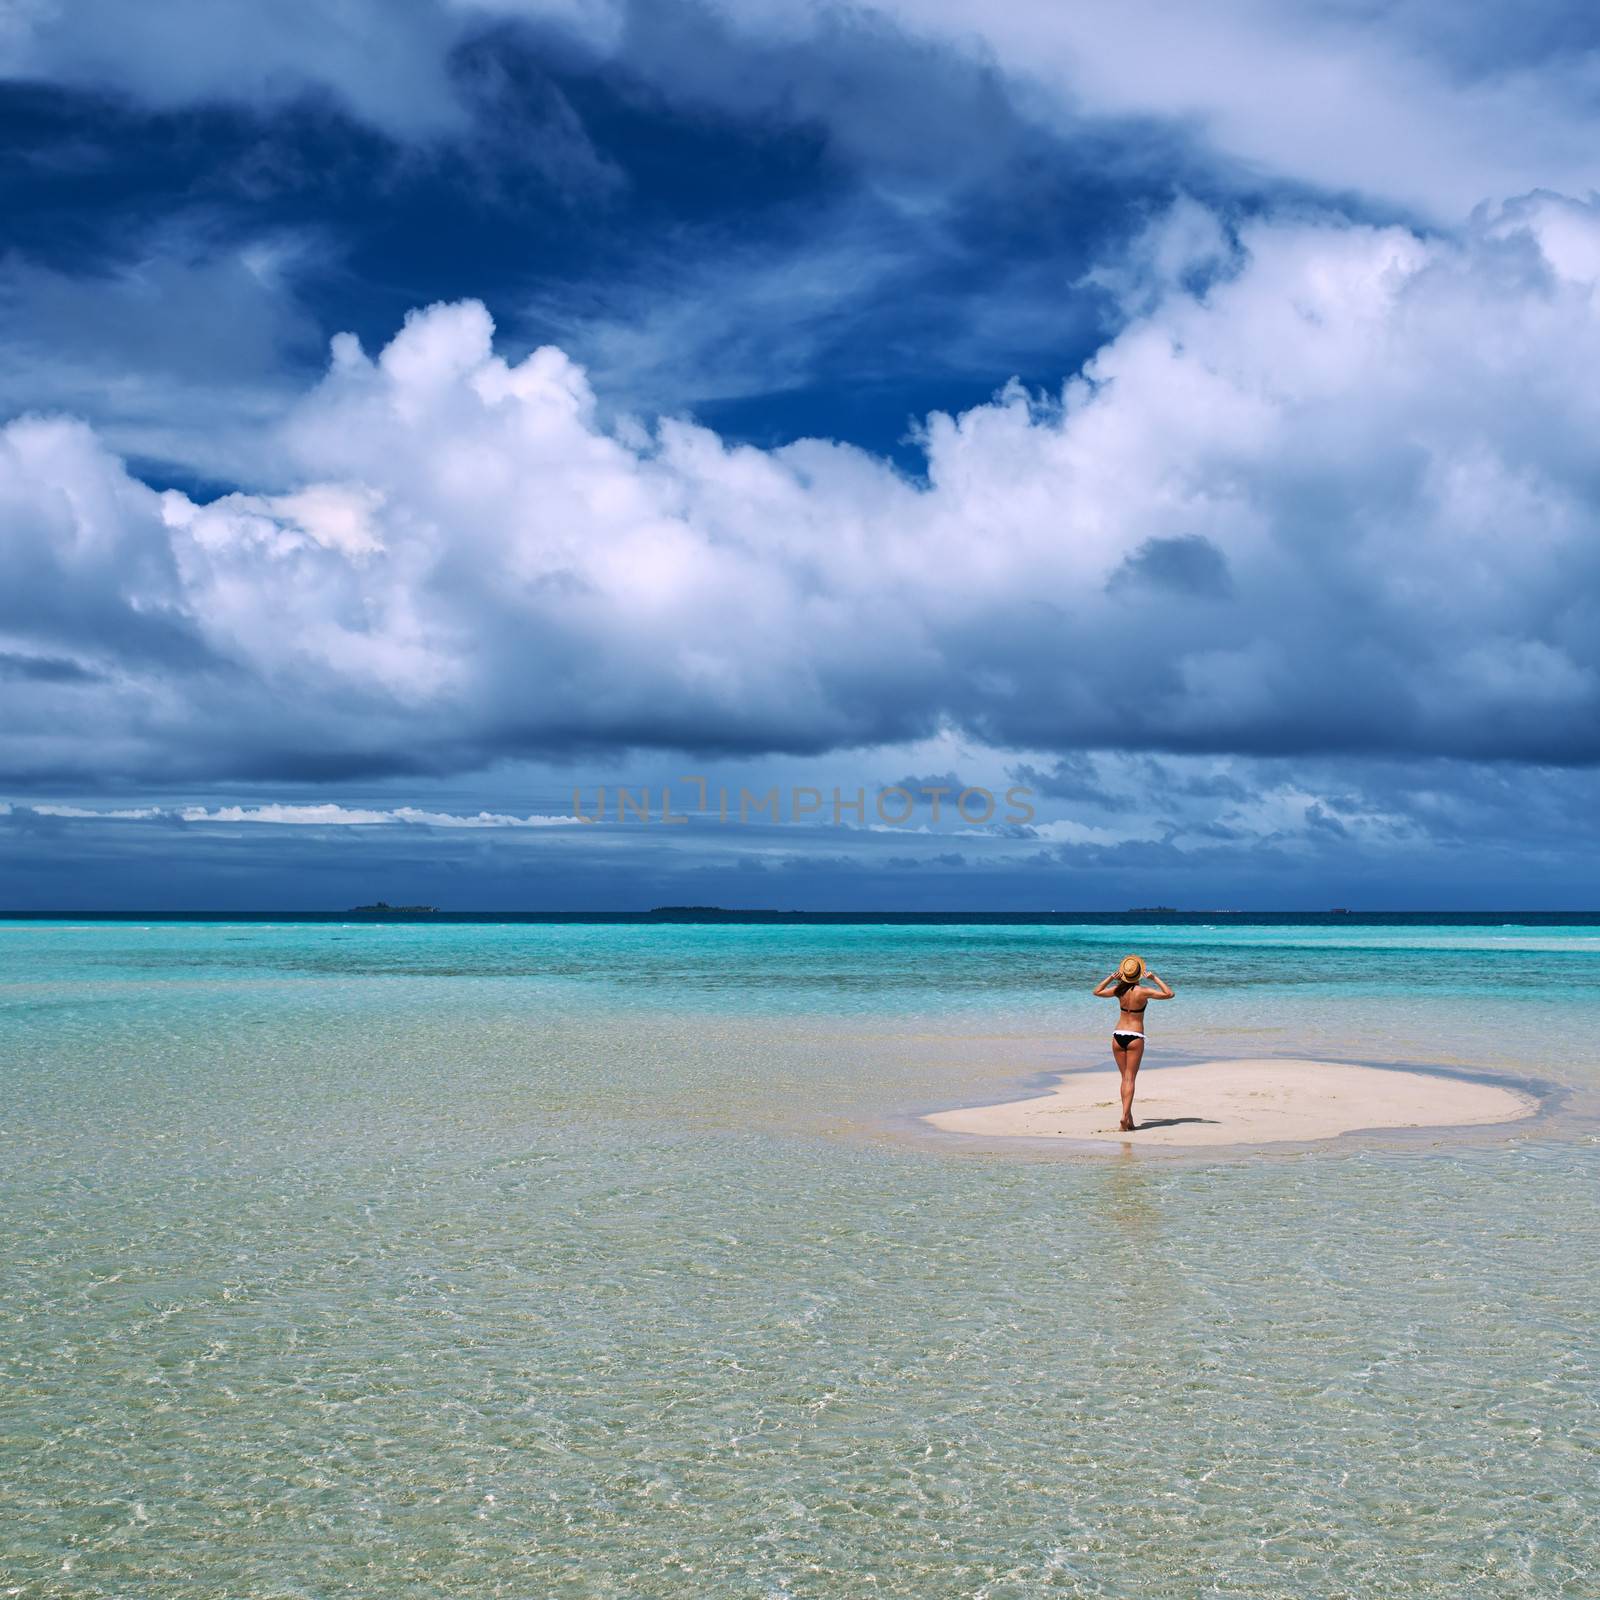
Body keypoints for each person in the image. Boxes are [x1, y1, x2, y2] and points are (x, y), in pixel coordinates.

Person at [1092, 955, 1175, 1131]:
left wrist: (1110, 978)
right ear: (1138, 974)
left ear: (1124, 974)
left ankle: (1128, 1118)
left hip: (1118, 1035)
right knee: (1130, 1079)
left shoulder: (1118, 990)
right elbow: (1169, 994)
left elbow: (1096, 991)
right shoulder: (1143, 992)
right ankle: (1124, 1116)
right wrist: (1154, 978)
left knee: (1124, 1079)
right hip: (1135, 1036)